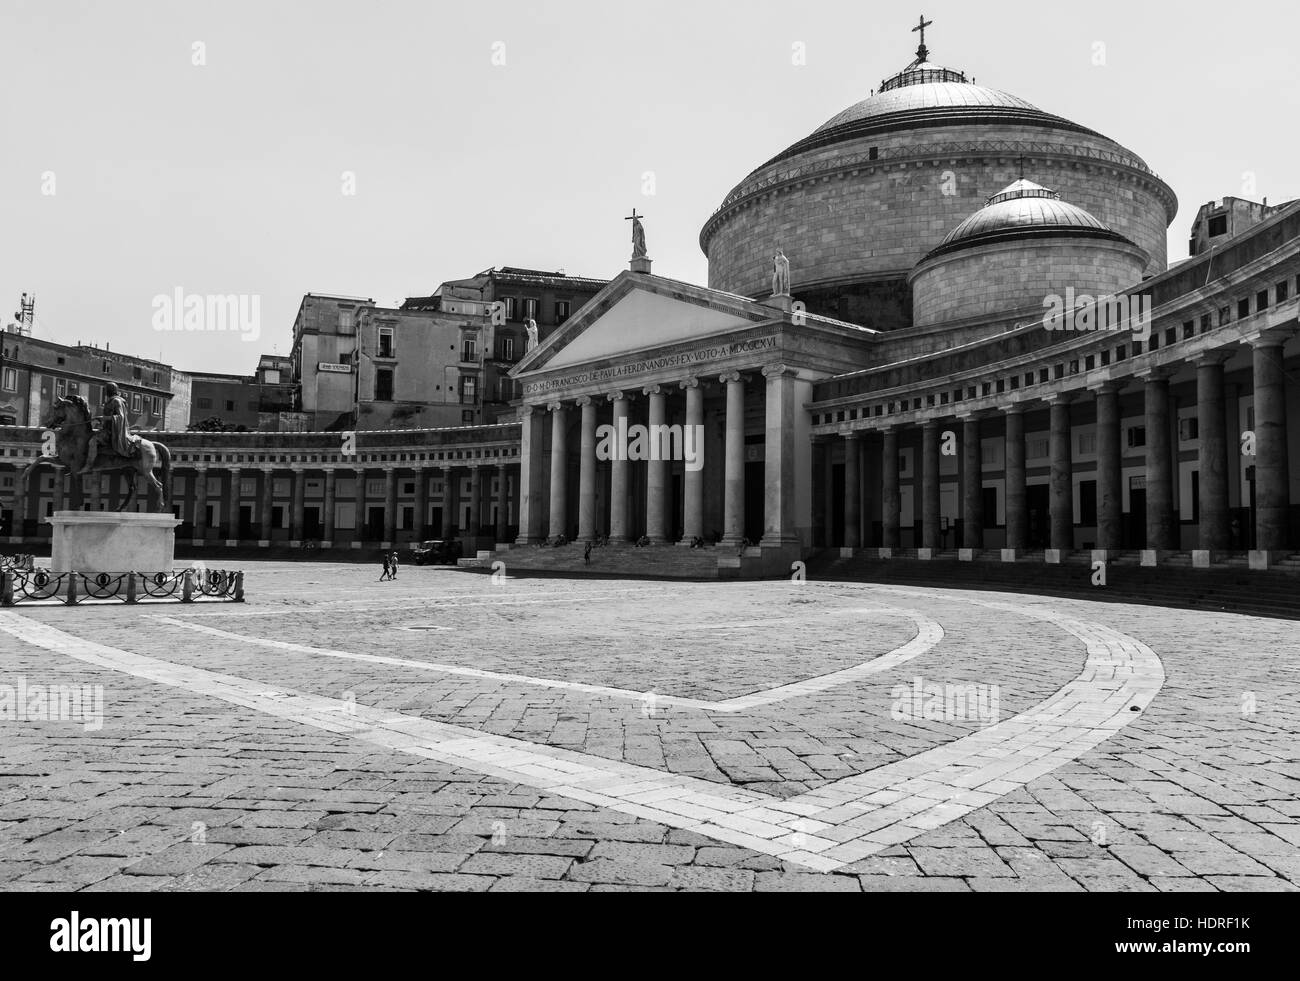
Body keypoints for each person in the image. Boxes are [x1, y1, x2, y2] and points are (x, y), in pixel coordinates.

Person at [78, 382, 139, 475]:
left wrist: (104, 418)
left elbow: (120, 417)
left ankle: (89, 466)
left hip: (113, 432)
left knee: (93, 441)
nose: (105, 391)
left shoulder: (116, 401)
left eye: (107, 390)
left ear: (111, 391)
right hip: (107, 429)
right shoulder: (111, 401)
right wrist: (102, 420)